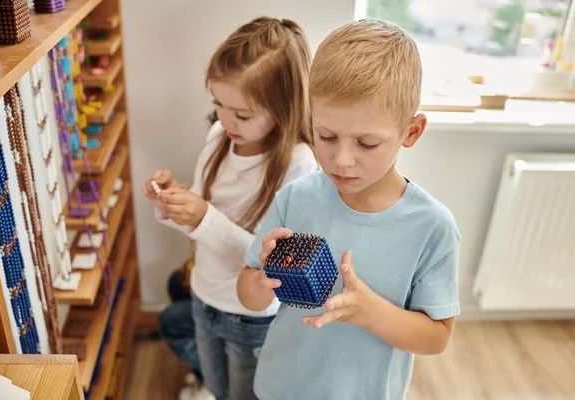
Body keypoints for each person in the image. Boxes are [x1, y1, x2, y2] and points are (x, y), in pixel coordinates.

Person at [237, 19, 461, 400]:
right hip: (279, 387)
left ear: (411, 132)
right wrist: (263, 280)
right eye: (326, 137)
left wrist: (371, 311)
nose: (342, 160)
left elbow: (436, 338)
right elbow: (248, 293)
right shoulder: (295, 198)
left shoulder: (431, 227)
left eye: (367, 144)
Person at [142, 16, 318, 400]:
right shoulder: (219, 135)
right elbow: (202, 221)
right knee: (219, 388)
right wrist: (171, 201)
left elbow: (271, 260)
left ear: (283, 109)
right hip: (206, 296)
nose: (225, 120)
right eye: (218, 104)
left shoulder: (297, 164)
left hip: (249, 317)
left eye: (242, 114)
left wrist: (203, 216)